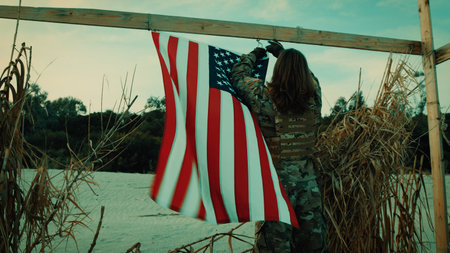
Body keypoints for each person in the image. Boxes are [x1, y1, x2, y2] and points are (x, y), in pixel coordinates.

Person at [231, 41, 327, 253]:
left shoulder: (263, 97)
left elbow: (237, 75)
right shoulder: (314, 98)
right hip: (309, 190)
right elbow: (312, 79)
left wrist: (254, 55)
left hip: (275, 190)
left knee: (274, 248)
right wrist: (282, 52)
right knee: (313, 247)